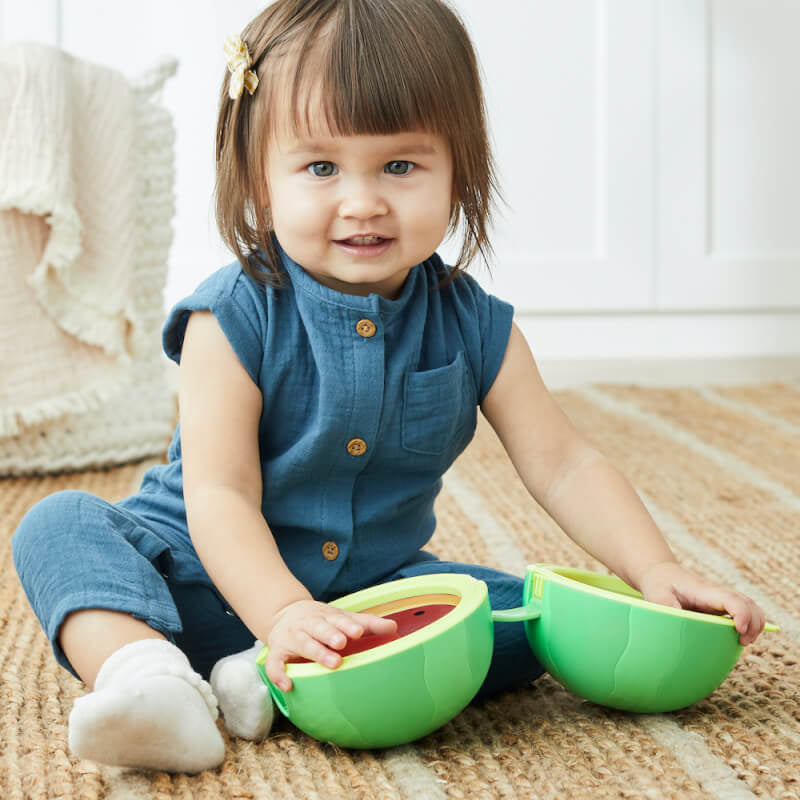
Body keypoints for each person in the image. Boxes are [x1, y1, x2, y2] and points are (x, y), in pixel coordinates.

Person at [12, 0, 766, 774]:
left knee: (524, 617)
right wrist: (282, 612)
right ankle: (148, 679)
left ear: (458, 171)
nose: (363, 201)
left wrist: (655, 568)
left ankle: (262, 682)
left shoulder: (478, 325)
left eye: (400, 167)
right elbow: (220, 495)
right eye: (321, 168)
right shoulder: (229, 319)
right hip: (191, 581)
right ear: (261, 181)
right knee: (58, 527)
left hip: (367, 603)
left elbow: (565, 464)